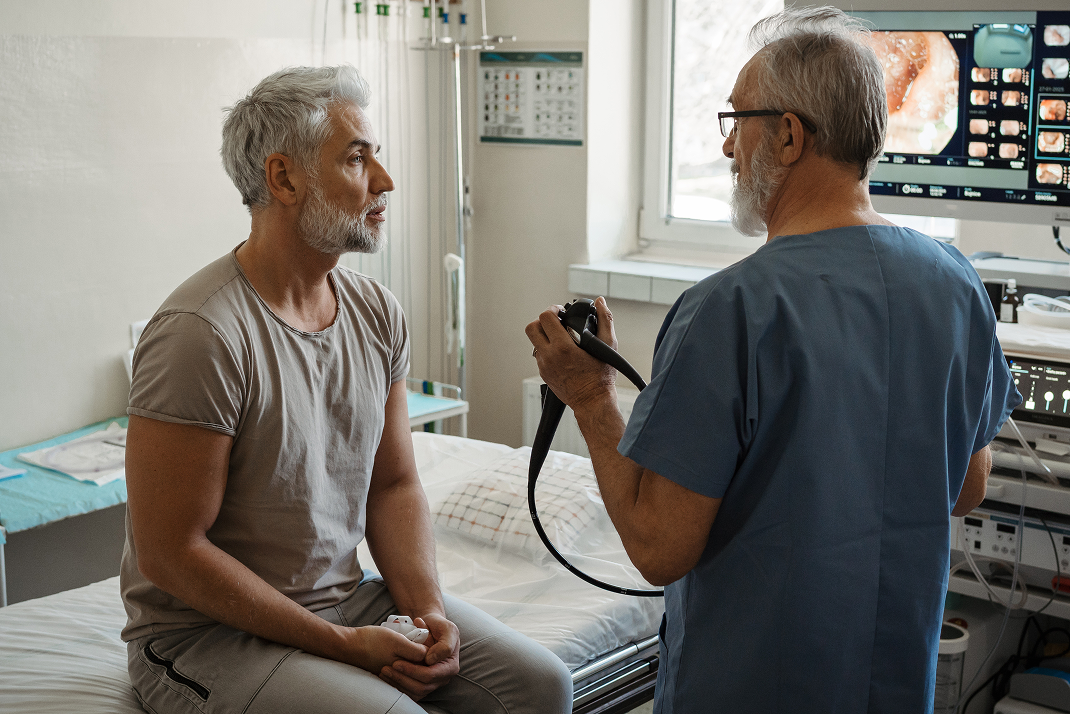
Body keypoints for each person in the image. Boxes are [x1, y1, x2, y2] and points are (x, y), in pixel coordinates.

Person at [526, 7, 1020, 713]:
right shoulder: (953, 281)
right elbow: (966, 487)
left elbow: (659, 549)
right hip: (892, 682)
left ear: (787, 134)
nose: (729, 148)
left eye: (737, 122)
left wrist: (590, 398)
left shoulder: (729, 309)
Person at [121, 65, 572, 714]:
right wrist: (338, 644)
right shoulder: (202, 333)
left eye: (376, 157)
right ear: (284, 178)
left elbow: (393, 485)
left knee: (541, 686)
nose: (384, 182)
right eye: (357, 159)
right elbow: (171, 553)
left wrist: (426, 612)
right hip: (206, 635)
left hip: (346, 596)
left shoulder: (376, 312)